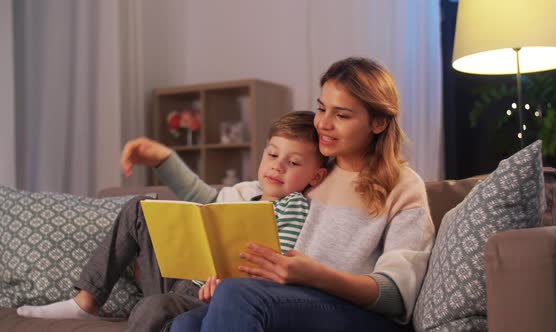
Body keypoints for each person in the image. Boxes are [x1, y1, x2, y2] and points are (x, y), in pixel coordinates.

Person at [169, 57, 435, 332]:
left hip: (362, 317)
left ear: (378, 123)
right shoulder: (308, 171)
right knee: (187, 322)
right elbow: (233, 203)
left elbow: (397, 295)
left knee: (238, 295)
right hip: (294, 302)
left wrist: (317, 276)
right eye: (321, 109)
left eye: (341, 115)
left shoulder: (403, 185)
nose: (323, 124)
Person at [16, 111, 328, 331]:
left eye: (294, 162)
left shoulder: (294, 207)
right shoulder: (245, 191)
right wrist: (163, 159)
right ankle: (86, 302)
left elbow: (276, 267)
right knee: (139, 207)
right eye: (272, 155)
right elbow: (201, 197)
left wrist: (229, 287)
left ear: (316, 175)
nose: (278, 167)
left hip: (215, 297)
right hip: (183, 279)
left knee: (155, 308)